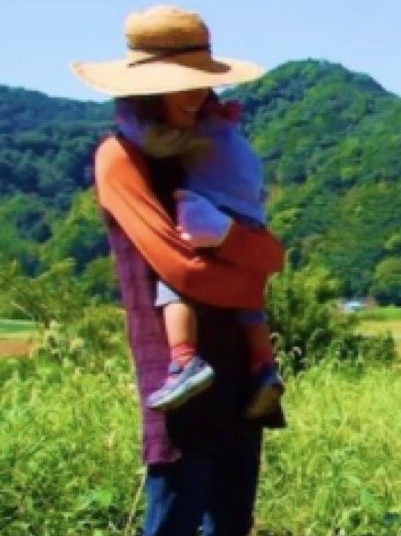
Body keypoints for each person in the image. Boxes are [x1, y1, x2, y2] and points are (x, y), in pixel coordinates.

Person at [71, 4, 286, 536]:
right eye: (180, 82)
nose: (195, 94)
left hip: (240, 364)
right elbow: (175, 265)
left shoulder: (207, 145)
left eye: (201, 80)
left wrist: (237, 252)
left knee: (233, 527)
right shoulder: (121, 158)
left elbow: (272, 256)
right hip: (178, 369)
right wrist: (243, 263)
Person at [114, 95, 283, 417]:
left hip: (231, 391)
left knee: (173, 289)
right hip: (248, 215)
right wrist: (247, 276)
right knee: (251, 308)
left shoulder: (186, 138)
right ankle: (264, 366)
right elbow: (269, 260)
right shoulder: (120, 158)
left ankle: (184, 359)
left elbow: (183, 272)